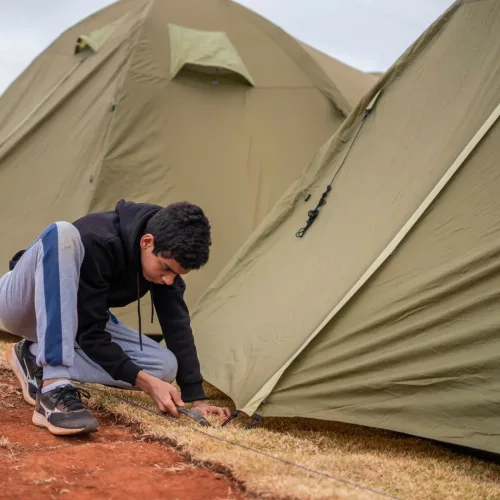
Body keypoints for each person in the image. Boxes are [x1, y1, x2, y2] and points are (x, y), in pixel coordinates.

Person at [0, 199, 230, 436]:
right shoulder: (98, 239)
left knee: (163, 367)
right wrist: (143, 382)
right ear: (147, 241)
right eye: (166, 269)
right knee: (63, 232)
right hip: (22, 304)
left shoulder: (162, 260)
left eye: (177, 274)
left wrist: (198, 400)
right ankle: (53, 386)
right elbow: (90, 334)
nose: (169, 280)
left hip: (77, 318)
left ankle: (31, 355)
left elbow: (177, 325)